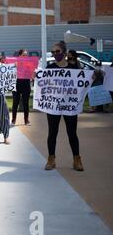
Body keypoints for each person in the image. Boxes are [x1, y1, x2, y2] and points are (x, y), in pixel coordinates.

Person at [44, 41, 84, 171]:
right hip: (53, 106)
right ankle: (51, 159)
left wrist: (93, 77)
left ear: (65, 53)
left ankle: (77, 159)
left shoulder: (74, 69)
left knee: (72, 133)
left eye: (58, 51)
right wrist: (36, 77)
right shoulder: (49, 68)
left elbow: (83, 82)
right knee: (52, 133)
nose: (55, 54)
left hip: (69, 106)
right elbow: (43, 84)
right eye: (53, 52)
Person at [11, 49, 32, 126]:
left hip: (26, 85)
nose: (25, 56)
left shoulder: (29, 64)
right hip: (17, 84)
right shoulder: (15, 63)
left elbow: (32, 73)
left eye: (26, 55)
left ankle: (26, 120)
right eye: (24, 55)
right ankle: (13, 120)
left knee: (26, 103)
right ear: (19, 55)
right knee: (15, 103)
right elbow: (10, 72)